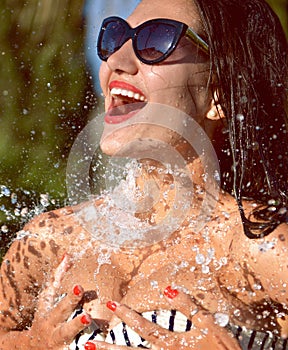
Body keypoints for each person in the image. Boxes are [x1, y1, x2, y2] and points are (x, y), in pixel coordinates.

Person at [0, 1, 287, 350]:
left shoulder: (260, 248)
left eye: (156, 40)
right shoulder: (51, 240)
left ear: (219, 94)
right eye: (115, 36)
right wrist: (31, 344)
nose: (116, 61)